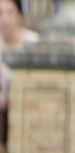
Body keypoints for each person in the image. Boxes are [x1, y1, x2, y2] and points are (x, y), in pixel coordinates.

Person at [0, 0, 38, 142]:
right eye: (0, 13)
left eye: (10, 13)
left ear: (20, 15)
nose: (5, 20)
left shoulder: (35, 43)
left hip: (29, 108)